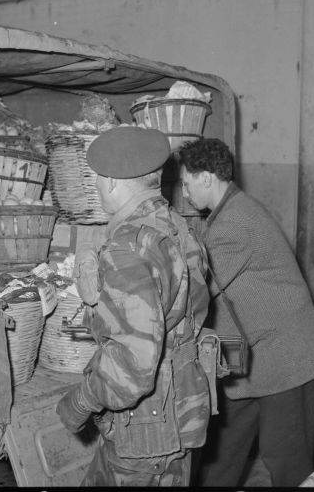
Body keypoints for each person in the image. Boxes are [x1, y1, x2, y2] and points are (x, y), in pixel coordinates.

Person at [56, 126, 212, 487]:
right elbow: (196, 308)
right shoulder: (178, 227)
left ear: (111, 182)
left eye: (98, 179)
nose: (96, 187)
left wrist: (80, 402)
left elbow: (134, 365)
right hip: (181, 410)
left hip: (145, 432)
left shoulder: (126, 250)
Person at [179, 137, 314, 487]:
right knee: (220, 452)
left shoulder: (235, 222)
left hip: (286, 360)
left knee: (287, 461)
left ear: (206, 178)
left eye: (186, 184)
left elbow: (197, 291)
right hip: (247, 359)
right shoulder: (228, 213)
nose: (184, 193)